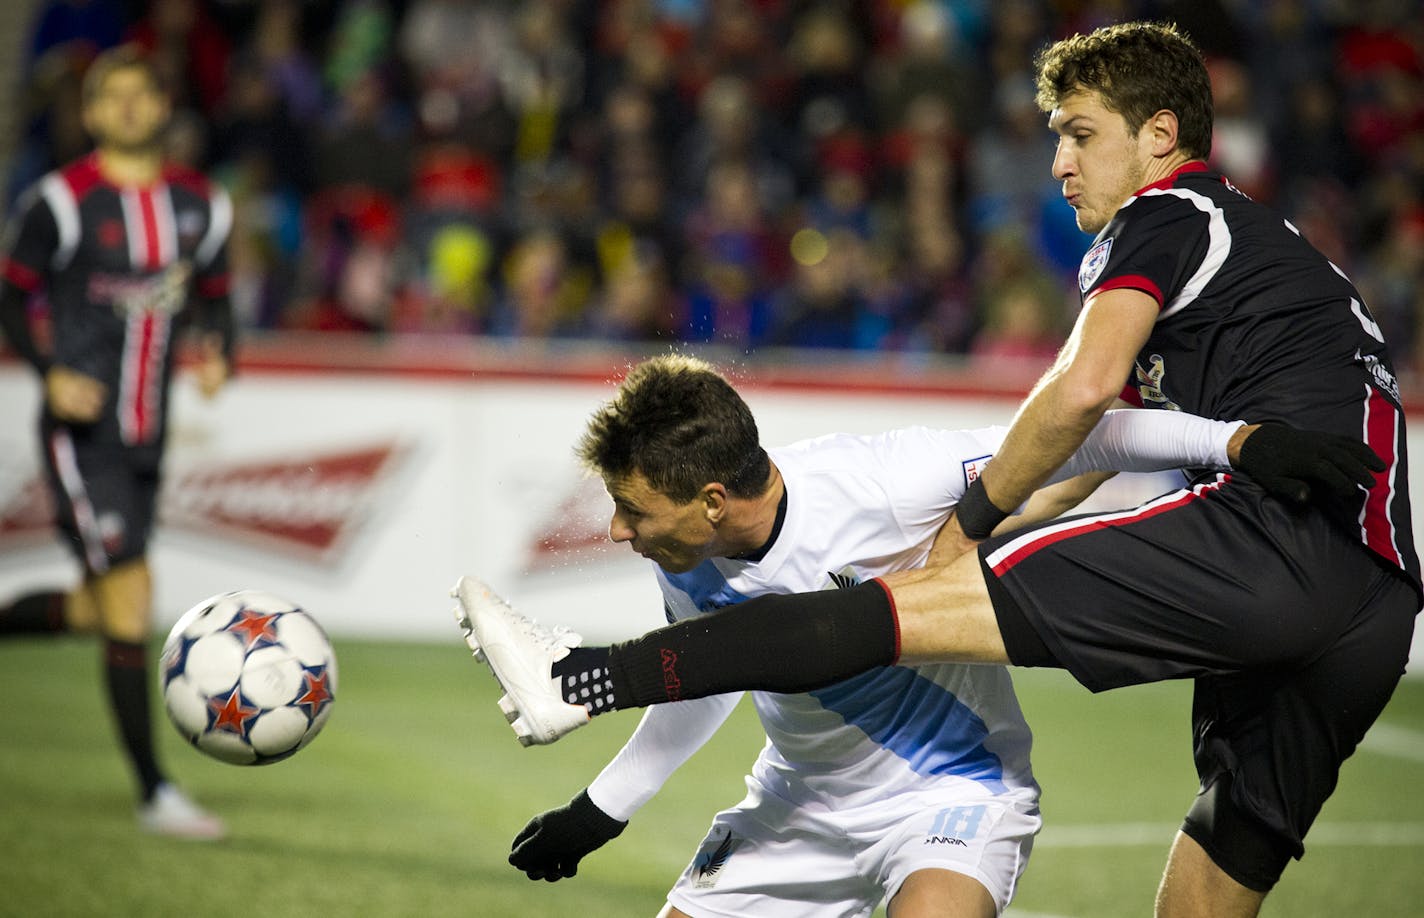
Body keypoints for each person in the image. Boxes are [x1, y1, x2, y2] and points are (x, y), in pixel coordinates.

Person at [454, 22, 1417, 918]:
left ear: (1161, 136)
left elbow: (1082, 394)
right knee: (1227, 854)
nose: (1060, 163)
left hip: (1265, 542)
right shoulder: (1273, 258)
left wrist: (972, 524)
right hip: (1374, 594)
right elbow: (1110, 434)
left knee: (889, 612)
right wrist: (1233, 440)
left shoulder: (1166, 212)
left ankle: (576, 678)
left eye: (1080, 134)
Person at [456, 352, 1297, 917]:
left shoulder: (884, 480)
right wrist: (603, 809)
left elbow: (1092, 433)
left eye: (631, 510)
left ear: (713, 498)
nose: (615, 531)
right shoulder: (680, 549)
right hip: (793, 806)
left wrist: (1235, 443)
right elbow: (702, 672)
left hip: (951, 794)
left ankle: (573, 679)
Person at [0, 44, 234, 839]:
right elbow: (11, 295)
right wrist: (47, 369)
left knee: (105, 609)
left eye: (145, 93)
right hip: (82, 433)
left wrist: (217, 353)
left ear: (164, 107)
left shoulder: (203, 206)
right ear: (93, 113)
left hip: (148, 436)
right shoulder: (60, 202)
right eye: (115, 96)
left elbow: (218, 299)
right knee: (132, 598)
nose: (131, 106)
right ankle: (155, 793)